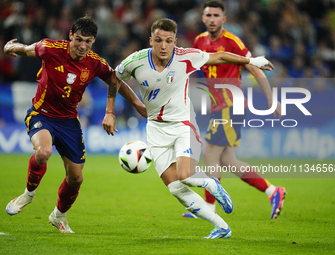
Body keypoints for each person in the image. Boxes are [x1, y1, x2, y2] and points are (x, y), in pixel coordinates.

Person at [102, 18, 274, 239]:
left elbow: (220, 56)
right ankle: (222, 227)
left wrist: (252, 60)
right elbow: (114, 76)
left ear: (175, 41)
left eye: (168, 41)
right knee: (175, 189)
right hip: (155, 129)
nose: (163, 46)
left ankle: (212, 183)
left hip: (183, 124)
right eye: (158, 40)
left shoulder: (186, 57)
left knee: (184, 174)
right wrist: (115, 109)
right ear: (150, 40)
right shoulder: (135, 61)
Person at [4, 16, 146, 233]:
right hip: (41, 114)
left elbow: (114, 79)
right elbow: (26, 49)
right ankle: (28, 195)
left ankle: (59, 215)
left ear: (93, 41)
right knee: (43, 152)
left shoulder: (95, 62)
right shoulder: (50, 49)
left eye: (88, 41)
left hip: (69, 121)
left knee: (76, 178)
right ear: (70, 35)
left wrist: (133, 104)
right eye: (79, 39)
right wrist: (11, 46)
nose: (82, 46)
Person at [182, 1, 286, 220]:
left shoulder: (232, 42)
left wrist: (271, 100)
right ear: (203, 18)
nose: (212, 19)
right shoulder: (199, 41)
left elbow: (255, 69)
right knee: (228, 160)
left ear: (224, 19)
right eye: (208, 15)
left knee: (210, 153)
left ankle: (209, 209)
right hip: (218, 107)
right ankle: (272, 191)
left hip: (231, 106)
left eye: (216, 15)